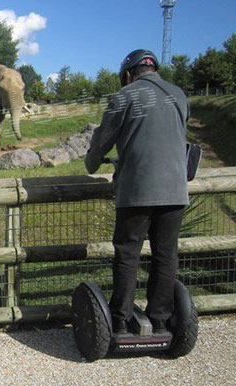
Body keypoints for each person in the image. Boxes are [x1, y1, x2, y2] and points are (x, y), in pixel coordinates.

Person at [85, 49, 190, 334]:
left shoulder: (125, 96)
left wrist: (91, 163)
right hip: (176, 191)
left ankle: (119, 321)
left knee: (127, 252)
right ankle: (159, 320)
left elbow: (103, 140)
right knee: (166, 254)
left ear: (129, 74)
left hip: (137, 191)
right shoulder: (179, 95)